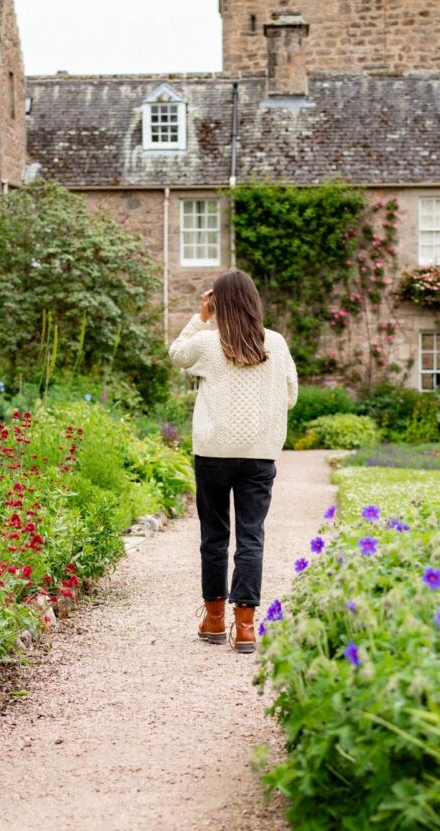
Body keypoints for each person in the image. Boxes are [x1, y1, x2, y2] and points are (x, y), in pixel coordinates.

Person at [169, 270, 298, 654]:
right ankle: (245, 628)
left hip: (213, 452)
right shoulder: (275, 343)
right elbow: (290, 397)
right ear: (255, 301)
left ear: (218, 302)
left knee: (214, 536)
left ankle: (213, 618)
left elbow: (177, 354)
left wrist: (200, 316)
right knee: (251, 536)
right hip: (259, 454)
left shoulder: (208, 343)